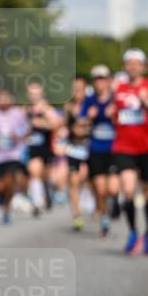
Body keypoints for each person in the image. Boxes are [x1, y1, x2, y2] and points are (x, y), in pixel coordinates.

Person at [110, 48, 148, 255]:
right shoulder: (118, 88)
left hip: (147, 147)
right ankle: (133, 231)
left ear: (143, 66)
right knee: (127, 190)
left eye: (137, 63)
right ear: (125, 66)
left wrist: (146, 102)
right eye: (129, 63)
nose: (133, 66)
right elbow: (113, 114)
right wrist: (110, 111)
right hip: (124, 147)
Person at [79, 65, 119, 237]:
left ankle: (115, 201)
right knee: (101, 189)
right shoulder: (89, 101)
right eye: (97, 79)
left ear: (109, 80)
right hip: (96, 149)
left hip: (115, 148)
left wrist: (116, 115)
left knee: (113, 188)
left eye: (103, 78)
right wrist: (89, 117)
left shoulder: (117, 99)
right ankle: (104, 217)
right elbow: (79, 124)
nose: (100, 82)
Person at [0, 89, 28, 224]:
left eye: (5, 98)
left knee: (10, 181)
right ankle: (1, 197)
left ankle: (6, 209)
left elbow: (26, 129)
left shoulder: (17, 113)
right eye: (0, 99)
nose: (2, 102)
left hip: (12, 154)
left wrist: (19, 135)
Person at [24, 80, 60, 216]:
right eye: (31, 93)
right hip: (32, 147)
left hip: (45, 147)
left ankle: (46, 192)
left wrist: (41, 123)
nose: (33, 95)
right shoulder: (26, 109)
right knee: (34, 171)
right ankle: (37, 203)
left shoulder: (47, 109)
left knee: (44, 176)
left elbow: (56, 124)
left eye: (36, 92)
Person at [62, 76, 90, 231]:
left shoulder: (91, 104)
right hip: (74, 149)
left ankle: (93, 203)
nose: (77, 90)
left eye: (80, 87)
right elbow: (63, 126)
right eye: (74, 87)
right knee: (73, 181)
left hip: (90, 148)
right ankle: (77, 215)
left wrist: (84, 128)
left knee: (87, 178)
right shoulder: (68, 107)